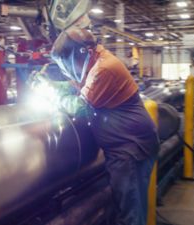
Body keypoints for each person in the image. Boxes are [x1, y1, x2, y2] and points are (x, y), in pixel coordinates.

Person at [47, 27, 160, 225]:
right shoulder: (95, 63)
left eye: (68, 63)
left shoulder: (103, 69)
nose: (67, 69)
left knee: (130, 211)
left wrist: (54, 95)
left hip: (130, 150)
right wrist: (53, 85)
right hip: (128, 147)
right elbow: (78, 84)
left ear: (84, 52)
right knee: (127, 205)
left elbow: (80, 107)